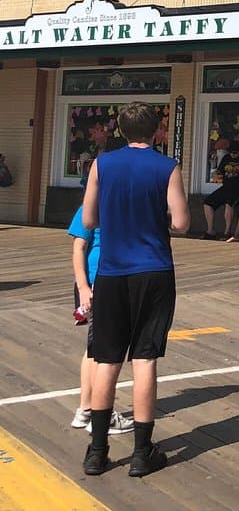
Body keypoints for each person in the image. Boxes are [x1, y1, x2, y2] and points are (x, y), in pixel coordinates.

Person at [81, 102, 190, 477]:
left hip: (112, 271)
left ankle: (97, 452)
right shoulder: (167, 166)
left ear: (121, 130)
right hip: (153, 269)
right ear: (157, 130)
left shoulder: (102, 164)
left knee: (106, 360)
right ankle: (143, 453)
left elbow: (89, 219)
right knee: (145, 358)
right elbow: (182, 222)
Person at [68, 164, 134, 438]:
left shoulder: (115, 208)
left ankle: (86, 408)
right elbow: (78, 248)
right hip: (100, 282)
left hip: (104, 280)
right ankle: (99, 413)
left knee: (94, 348)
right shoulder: (90, 208)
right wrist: (84, 286)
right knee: (104, 350)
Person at [202, 138, 239, 239]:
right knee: (207, 203)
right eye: (231, 152)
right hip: (226, 187)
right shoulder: (226, 158)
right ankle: (210, 230)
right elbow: (220, 172)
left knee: (229, 203)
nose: (232, 155)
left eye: (235, 152)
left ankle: (227, 231)